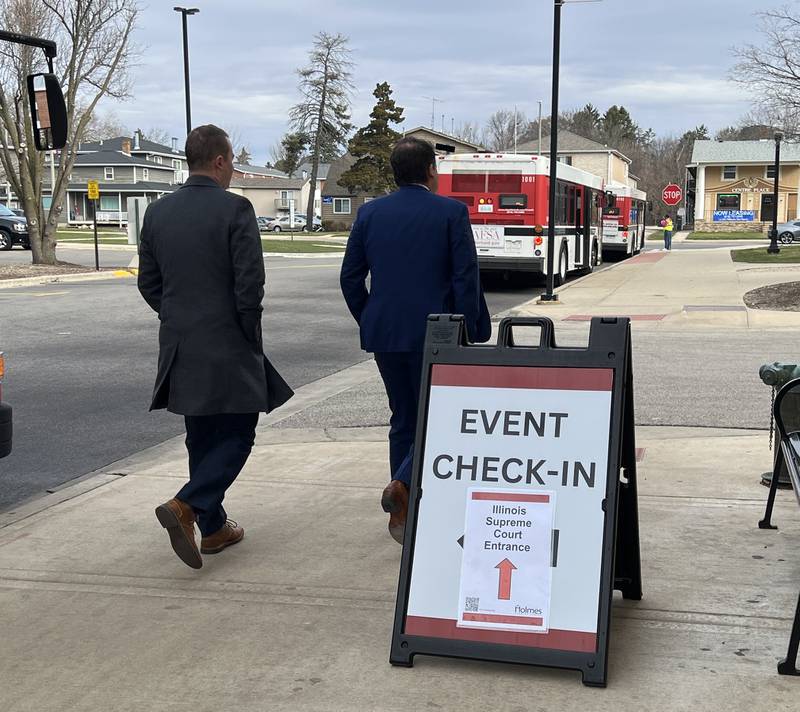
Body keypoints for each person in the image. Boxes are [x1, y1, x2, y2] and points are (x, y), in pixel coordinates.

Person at [138, 124, 293, 569]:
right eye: (231, 164)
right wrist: (247, 332)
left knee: (201, 434)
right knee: (240, 432)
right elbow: (250, 283)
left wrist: (177, 316)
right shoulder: (235, 209)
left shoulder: (157, 213)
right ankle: (187, 505)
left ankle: (212, 528)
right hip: (229, 339)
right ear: (221, 161)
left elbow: (150, 283)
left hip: (181, 342)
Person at [340, 136, 489, 544]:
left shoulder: (370, 214)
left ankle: (404, 506)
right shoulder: (451, 213)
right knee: (439, 416)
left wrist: (369, 315)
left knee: (403, 416)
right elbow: (465, 276)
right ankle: (404, 486)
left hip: (386, 334)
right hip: (439, 333)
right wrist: (467, 329)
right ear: (430, 171)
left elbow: (350, 278)